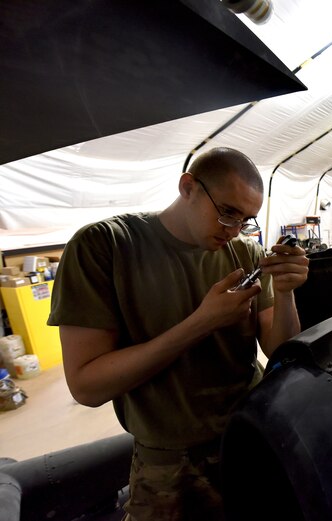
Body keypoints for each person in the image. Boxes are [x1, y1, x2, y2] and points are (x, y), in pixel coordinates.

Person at [47, 147, 309, 520]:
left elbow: (279, 350)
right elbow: (87, 386)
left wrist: (285, 292)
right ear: (188, 187)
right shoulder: (105, 246)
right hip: (170, 463)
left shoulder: (245, 251)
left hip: (249, 436)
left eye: (245, 220)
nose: (233, 230)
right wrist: (202, 322)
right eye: (227, 212)